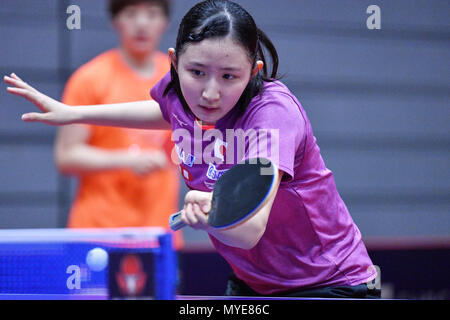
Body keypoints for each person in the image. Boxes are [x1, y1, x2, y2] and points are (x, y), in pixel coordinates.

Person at [4, 0, 380, 298]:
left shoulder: (273, 115)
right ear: (174, 63)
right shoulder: (179, 94)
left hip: (328, 283)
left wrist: (209, 214)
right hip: (254, 282)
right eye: (196, 72)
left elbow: (249, 229)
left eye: (229, 76)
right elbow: (162, 111)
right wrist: (73, 114)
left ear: (253, 71)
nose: (210, 93)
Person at [53, 0, 182, 248]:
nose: (142, 23)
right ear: (115, 21)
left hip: (160, 235)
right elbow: (66, 155)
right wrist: (127, 160)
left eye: (152, 14)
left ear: (164, 22)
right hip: (97, 233)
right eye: (131, 14)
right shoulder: (89, 79)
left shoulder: (179, 78)